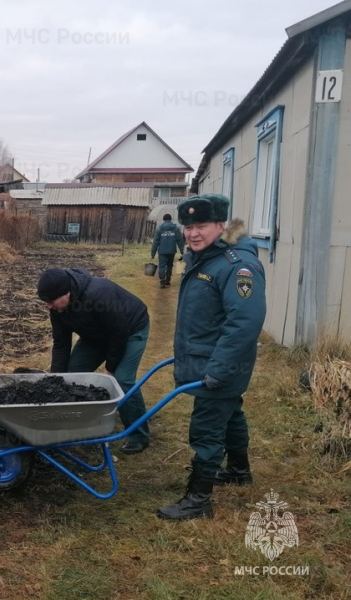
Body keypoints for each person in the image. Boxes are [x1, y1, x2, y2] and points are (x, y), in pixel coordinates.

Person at [157, 194, 266, 521]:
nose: (193, 233)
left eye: (201, 226)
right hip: (208, 360)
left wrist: (218, 369)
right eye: (188, 227)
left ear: (221, 225)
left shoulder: (236, 266)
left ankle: (198, 499)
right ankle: (237, 470)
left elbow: (244, 322)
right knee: (230, 413)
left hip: (220, 364)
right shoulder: (205, 258)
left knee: (206, 428)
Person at [37, 268, 151, 454]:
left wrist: (110, 369)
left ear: (66, 293)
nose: (48, 306)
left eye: (51, 301)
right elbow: (61, 344)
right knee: (72, 375)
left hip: (131, 330)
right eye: (45, 302)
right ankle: (80, 424)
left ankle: (139, 435)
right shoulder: (57, 309)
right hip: (95, 337)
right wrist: (56, 378)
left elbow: (118, 334)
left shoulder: (99, 293)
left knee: (122, 380)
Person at [151, 213, 185, 288]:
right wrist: (183, 251)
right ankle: (168, 280)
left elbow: (155, 242)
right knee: (169, 265)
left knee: (162, 266)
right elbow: (180, 240)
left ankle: (162, 281)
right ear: (170, 219)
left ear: (164, 219)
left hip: (162, 251)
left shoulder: (159, 229)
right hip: (171, 251)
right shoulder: (175, 228)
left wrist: (153, 253)